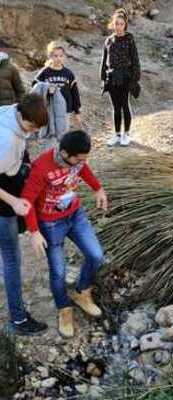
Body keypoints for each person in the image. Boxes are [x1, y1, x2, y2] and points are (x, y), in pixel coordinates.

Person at [21, 130, 108, 338]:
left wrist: (98, 188)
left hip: (75, 215)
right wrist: (34, 231)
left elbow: (83, 168)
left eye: (84, 159)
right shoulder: (41, 168)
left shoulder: (77, 161)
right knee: (58, 272)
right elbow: (26, 201)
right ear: (65, 153)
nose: (81, 163)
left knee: (96, 255)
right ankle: (64, 309)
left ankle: (81, 292)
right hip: (51, 225)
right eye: (78, 159)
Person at [0, 93, 48, 336]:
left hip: (8, 187)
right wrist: (15, 202)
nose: (30, 132)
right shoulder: (6, 140)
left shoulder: (9, 111)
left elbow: (23, 144)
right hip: (3, 203)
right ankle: (18, 320)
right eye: (29, 126)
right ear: (21, 115)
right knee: (11, 260)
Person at [100, 9, 141, 147]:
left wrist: (135, 79)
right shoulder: (108, 40)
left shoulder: (129, 39)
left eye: (121, 24)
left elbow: (135, 59)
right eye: (116, 23)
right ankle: (117, 134)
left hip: (125, 77)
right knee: (115, 107)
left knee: (125, 105)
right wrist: (103, 78)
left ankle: (126, 134)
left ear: (125, 25)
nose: (118, 26)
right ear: (113, 24)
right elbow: (104, 61)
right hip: (111, 77)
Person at [33, 41, 82, 133]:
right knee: (49, 133)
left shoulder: (68, 73)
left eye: (61, 56)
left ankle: (61, 147)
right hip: (49, 108)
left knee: (62, 133)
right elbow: (35, 87)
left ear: (64, 56)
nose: (58, 58)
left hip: (65, 109)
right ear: (50, 56)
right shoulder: (45, 72)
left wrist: (77, 111)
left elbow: (75, 93)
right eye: (55, 56)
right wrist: (46, 90)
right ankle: (51, 147)